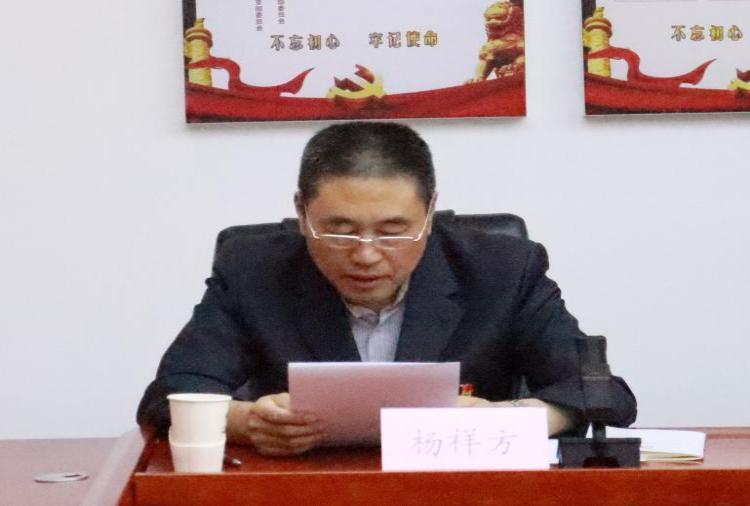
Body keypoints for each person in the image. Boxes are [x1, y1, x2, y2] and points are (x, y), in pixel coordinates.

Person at [137, 122, 636, 456]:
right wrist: (248, 422)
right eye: (340, 231)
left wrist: (506, 419)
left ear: (429, 213)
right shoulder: (253, 271)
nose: (366, 254)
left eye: (394, 231)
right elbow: (168, 396)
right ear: (301, 213)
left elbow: (603, 394)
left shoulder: (503, 270)